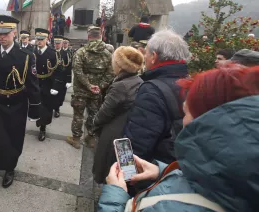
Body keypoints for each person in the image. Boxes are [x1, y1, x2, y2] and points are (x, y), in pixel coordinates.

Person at [99, 64, 259, 212]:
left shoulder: (169, 206)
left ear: (207, 122)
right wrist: (165, 172)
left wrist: (115, 196)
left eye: (186, 112)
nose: (182, 120)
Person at [0, 15, 41, 188]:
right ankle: (4, 160)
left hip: (17, 103)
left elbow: (33, 84)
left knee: (13, 138)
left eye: (5, 34)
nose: (1, 37)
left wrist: (35, 109)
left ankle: (10, 168)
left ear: (14, 33)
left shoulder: (26, 56)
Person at [124, 29, 190, 163]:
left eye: (146, 53)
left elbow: (136, 143)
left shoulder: (151, 91)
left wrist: (124, 176)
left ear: (154, 56)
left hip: (150, 171)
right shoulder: (193, 84)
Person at [92, 46, 144, 184]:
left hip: (113, 133)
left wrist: (94, 123)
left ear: (119, 66)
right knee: (123, 173)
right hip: (125, 132)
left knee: (108, 170)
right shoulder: (138, 80)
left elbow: (103, 113)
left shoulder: (120, 86)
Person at [66, 26, 114, 149]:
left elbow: (77, 71)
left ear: (88, 36)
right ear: (101, 36)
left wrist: (88, 85)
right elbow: (110, 74)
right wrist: (99, 86)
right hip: (97, 92)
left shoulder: (81, 52)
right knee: (93, 114)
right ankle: (91, 138)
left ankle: (76, 139)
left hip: (81, 91)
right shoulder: (108, 54)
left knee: (78, 115)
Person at [34, 28, 62, 141]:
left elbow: (57, 71)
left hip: (47, 83)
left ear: (47, 39)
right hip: (34, 82)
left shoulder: (52, 53)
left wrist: (55, 87)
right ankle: (37, 119)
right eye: (37, 39)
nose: (39, 41)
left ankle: (42, 128)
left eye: (42, 39)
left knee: (46, 107)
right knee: (35, 105)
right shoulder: (32, 52)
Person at [55, 36, 73, 118]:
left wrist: (69, 80)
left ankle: (57, 109)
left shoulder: (66, 54)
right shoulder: (51, 52)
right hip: (51, 78)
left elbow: (68, 67)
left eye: (59, 43)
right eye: (55, 43)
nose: (57, 45)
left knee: (60, 95)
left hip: (62, 78)